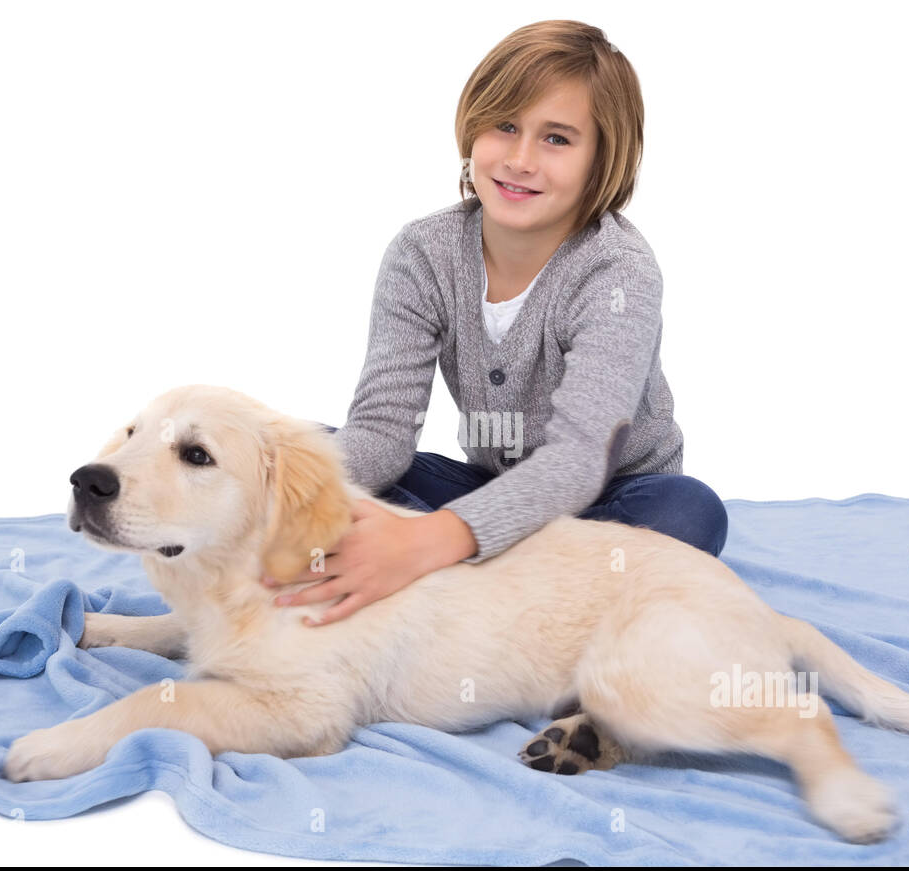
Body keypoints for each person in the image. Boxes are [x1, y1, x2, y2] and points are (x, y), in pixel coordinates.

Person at [264, 20, 727, 626]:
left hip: (609, 502)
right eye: (505, 125)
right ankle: (465, 572)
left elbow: (578, 461)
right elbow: (380, 430)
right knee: (295, 453)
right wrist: (303, 502)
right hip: (488, 490)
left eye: (557, 139)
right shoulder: (423, 253)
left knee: (690, 513)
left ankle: (441, 571)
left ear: (601, 158)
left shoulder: (618, 272)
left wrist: (425, 540)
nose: (519, 159)